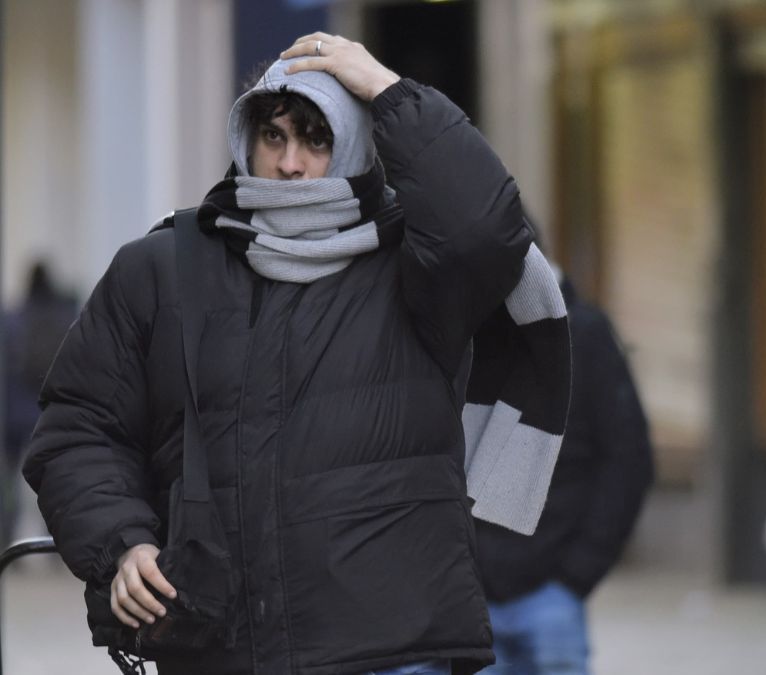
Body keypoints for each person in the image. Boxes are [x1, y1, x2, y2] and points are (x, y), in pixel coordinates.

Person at [23, 32, 569, 675]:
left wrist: (388, 92)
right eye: (273, 135)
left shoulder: (413, 268)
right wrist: (122, 543)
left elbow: (485, 230)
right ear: (244, 137)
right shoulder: (160, 267)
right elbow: (78, 431)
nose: (290, 163)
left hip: (389, 653)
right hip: (217, 646)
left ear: (357, 144)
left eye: (317, 139)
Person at [475, 273, 654, 675]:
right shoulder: (464, 326)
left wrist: (578, 572)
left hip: (552, 593)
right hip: (474, 598)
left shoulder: (584, 334)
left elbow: (628, 459)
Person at [3, 262, 76, 543]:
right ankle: (54, 537)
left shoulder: (14, 318)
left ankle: (8, 534)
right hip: (49, 411)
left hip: (14, 415)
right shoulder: (65, 318)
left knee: (10, 479)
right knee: (52, 476)